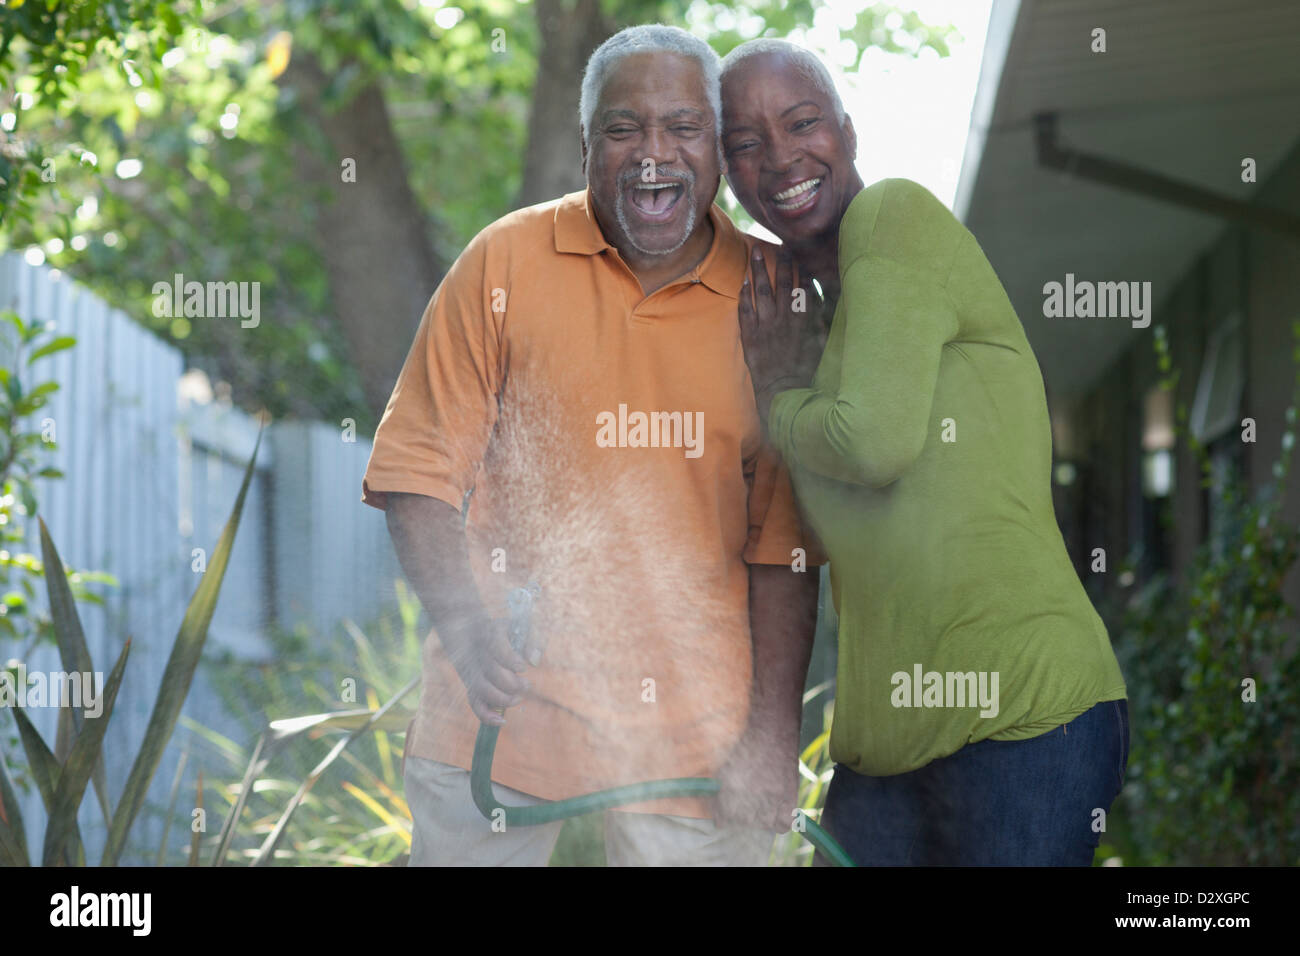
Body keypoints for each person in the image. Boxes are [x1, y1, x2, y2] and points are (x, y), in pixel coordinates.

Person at [361, 25, 821, 866]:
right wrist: (464, 625)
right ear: (585, 147)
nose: (654, 155)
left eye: (684, 128)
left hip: (698, 743)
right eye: (624, 129)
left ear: (718, 149)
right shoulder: (503, 262)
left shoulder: (776, 294)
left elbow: (784, 545)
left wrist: (770, 737)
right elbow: (414, 472)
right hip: (496, 722)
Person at [719, 38, 1130, 866]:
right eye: (746, 144)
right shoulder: (824, 336)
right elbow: (839, 541)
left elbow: (873, 445)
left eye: (801, 123)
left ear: (848, 131)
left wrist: (776, 400)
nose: (781, 157)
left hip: (1022, 718)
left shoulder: (894, 216)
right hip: (883, 756)